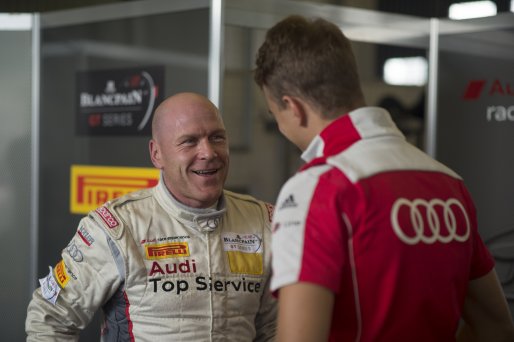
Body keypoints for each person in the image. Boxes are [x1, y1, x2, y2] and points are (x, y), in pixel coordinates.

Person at [254, 15, 514, 342]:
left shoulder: (318, 188)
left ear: (293, 108)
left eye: (274, 114)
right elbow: (497, 327)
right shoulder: (449, 182)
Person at [25, 92, 277, 341]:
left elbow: (275, 329)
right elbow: (50, 319)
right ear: (157, 154)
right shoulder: (116, 228)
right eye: (189, 141)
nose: (208, 152)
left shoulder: (264, 222)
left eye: (217, 137)